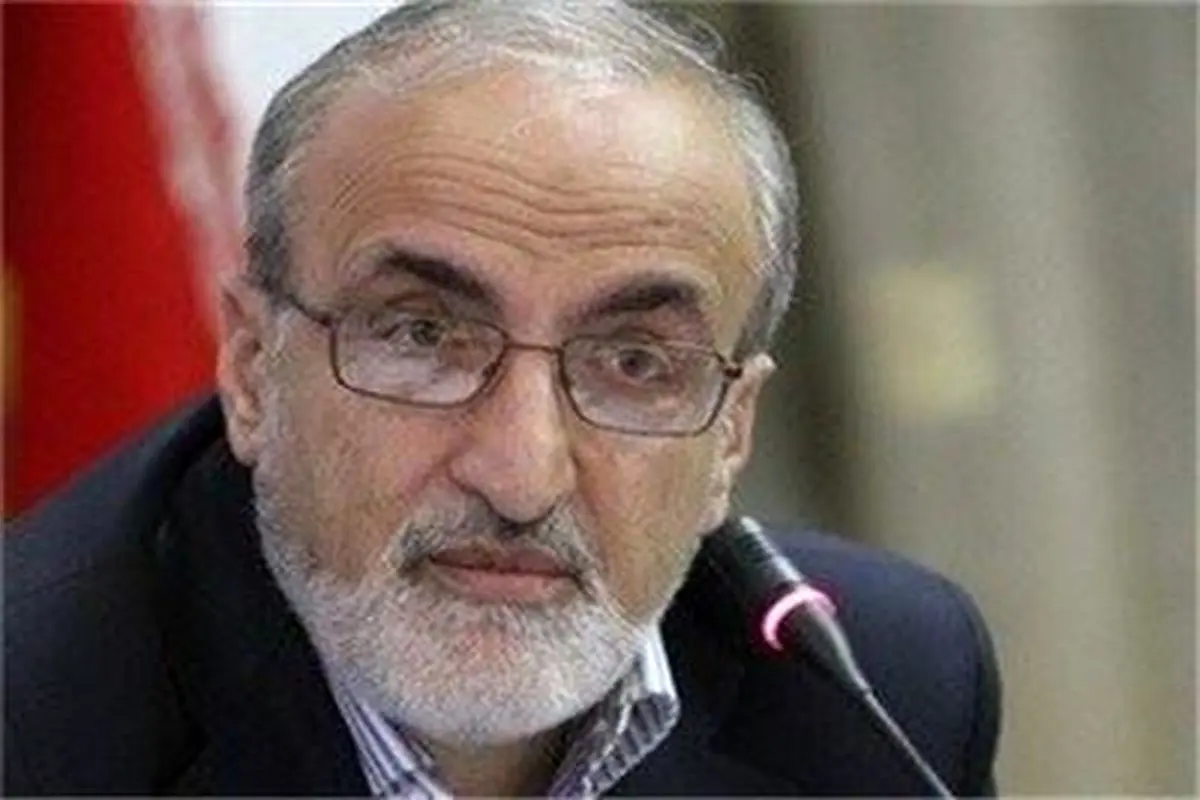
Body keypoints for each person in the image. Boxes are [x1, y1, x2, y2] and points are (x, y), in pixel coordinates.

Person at [4, 2, 1001, 796]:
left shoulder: (877, 693)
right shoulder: (32, 725)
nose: (521, 474)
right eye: (422, 336)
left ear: (732, 433)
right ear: (255, 366)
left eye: (635, 362)